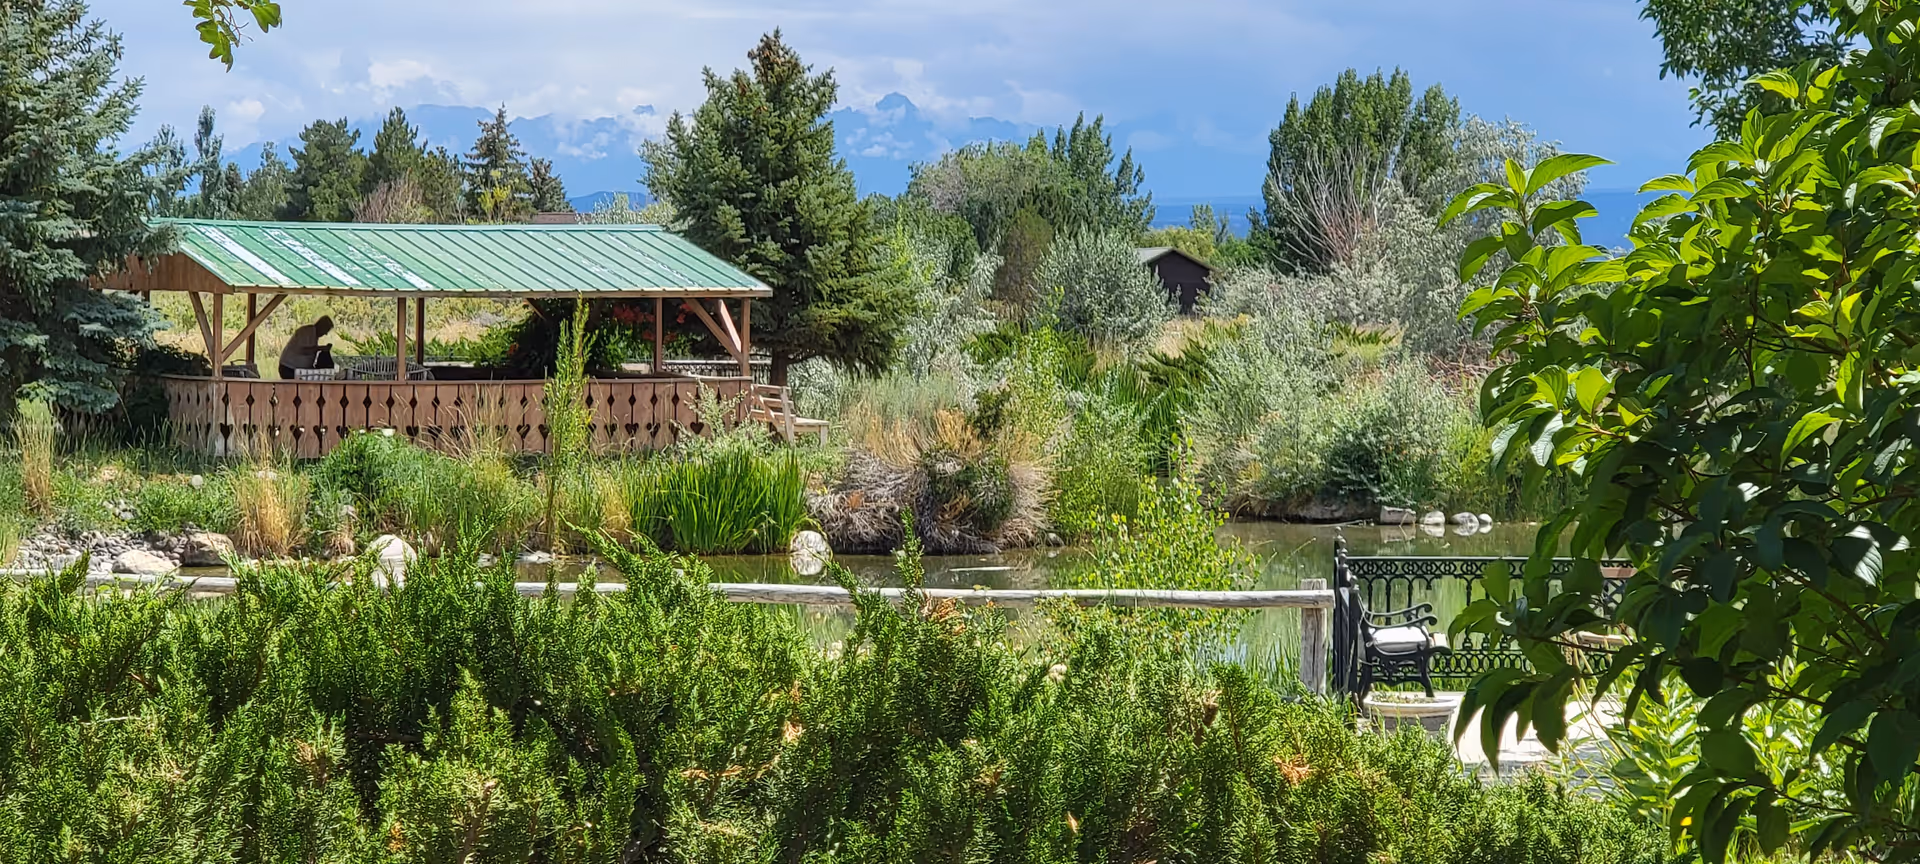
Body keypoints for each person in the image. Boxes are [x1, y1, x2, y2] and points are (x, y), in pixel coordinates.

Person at [278, 315, 335, 379]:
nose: (325, 334)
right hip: (289, 368)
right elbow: (303, 350)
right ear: (322, 327)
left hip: (297, 370)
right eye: (326, 330)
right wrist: (321, 348)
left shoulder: (313, 334)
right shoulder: (306, 332)